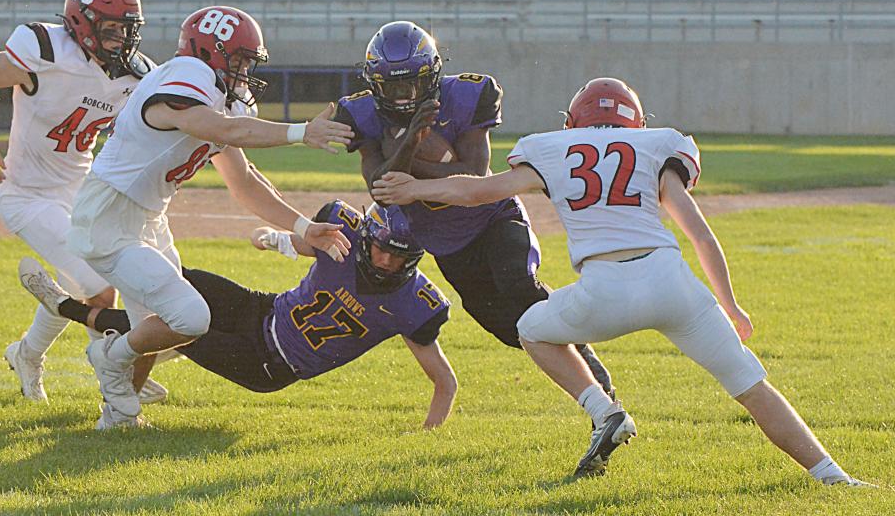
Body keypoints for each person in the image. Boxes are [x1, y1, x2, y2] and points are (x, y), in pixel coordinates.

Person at [372, 77, 873, 486]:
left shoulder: (552, 149)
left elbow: (482, 191)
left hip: (604, 289)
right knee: (751, 385)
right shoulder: (657, 146)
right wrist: (732, 304)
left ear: (572, 123)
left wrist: (418, 186)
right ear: (636, 121)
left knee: (531, 328)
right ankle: (833, 477)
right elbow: (700, 236)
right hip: (671, 281)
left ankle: (604, 410)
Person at [64, 5, 355, 427]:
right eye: (238, 61)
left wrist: (303, 226)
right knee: (190, 317)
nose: (244, 72)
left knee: (152, 320)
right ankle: (108, 355)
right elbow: (225, 130)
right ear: (210, 52)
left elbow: (245, 183)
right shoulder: (184, 75)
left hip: (149, 215)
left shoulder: (219, 103)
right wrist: (299, 132)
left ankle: (118, 418)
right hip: (109, 215)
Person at [333, 20, 615, 398]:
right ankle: (576, 356)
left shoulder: (467, 95)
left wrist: (406, 162)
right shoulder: (362, 114)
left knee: (518, 284)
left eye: (411, 84)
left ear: (432, 75)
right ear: (374, 83)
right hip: (447, 244)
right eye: (393, 86)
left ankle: (586, 362)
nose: (403, 97)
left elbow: (473, 172)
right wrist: (413, 140)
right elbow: (382, 190)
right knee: (508, 328)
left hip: (493, 217)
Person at [20, 202, 457, 429]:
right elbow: (293, 241)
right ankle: (86, 278)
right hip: (262, 309)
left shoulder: (414, 304)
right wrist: (273, 238)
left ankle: (66, 307)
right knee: (169, 280)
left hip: (269, 364)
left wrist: (428, 436)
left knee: (181, 327)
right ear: (367, 236)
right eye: (380, 248)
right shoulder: (342, 234)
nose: (384, 262)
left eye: (398, 257)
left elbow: (444, 381)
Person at [0, 0, 168, 404]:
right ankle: (111, 367)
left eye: (127, 29)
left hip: (84, 192)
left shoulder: (135, 73)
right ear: (82, 22)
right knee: (100, 290)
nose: (120, 38)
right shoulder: (44, 49)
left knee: (106, 282)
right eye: (110, 28)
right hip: (27, 195)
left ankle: (29, 353)